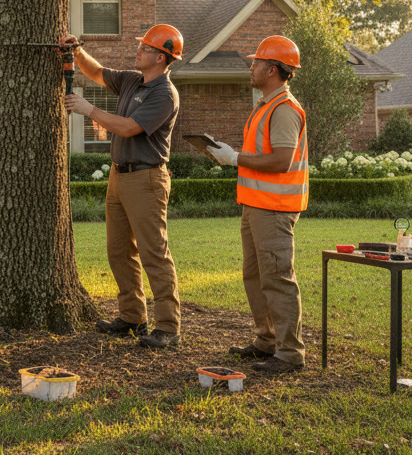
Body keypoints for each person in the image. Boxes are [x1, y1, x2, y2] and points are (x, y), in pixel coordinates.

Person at [62, 24, 183, 348]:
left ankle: (169, 327)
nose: (138, 51)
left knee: (154, 253)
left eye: (144, 48)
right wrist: (76, 50)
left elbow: (130, 128)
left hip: (146, 179)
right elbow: (98, 72)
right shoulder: (132, 80)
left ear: (161, 57)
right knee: (119, 251)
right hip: (119, 176)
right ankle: (133, 317)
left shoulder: (164, 94)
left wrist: (89, 110)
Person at [207, 35, 309, 375]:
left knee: (278, 277)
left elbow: (280, 160)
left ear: (273, 69)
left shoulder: (284, 110)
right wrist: (233, 154)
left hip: (275, 208)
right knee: (255, 276)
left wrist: (234, 157)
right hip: (255, 205)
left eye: (256, 63)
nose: (250, 68)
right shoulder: (264, 106)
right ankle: (267, 341)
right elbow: (261, 156)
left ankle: (290, 352)